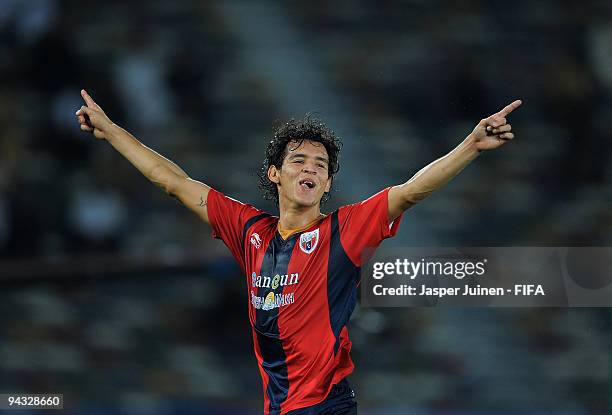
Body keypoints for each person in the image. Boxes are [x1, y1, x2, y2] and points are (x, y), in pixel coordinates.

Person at [75, 89, 521, 415]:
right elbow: (172, 181)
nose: (311, 168)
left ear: (327, 185)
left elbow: (407, 193)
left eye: (321, 166)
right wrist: (112, 132)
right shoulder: (249, 230)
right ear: (275, 173)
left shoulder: (342, 231)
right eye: (299, 161)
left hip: (328, 405)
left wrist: (470, 147)